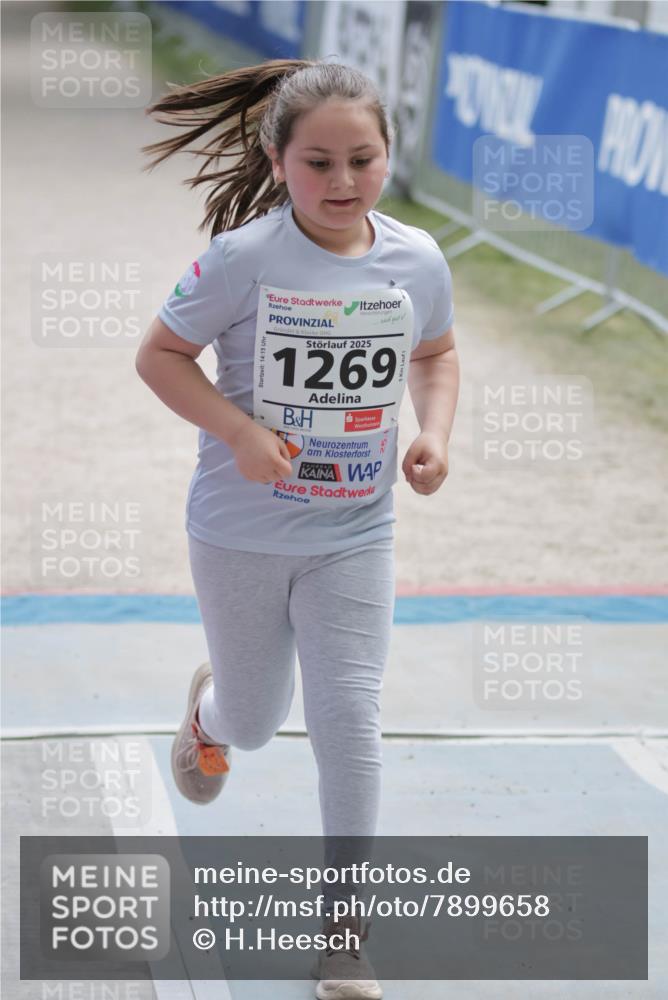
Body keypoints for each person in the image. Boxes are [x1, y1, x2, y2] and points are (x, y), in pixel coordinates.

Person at [136, 58, 459, 1000]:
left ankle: (343, 933)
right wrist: (238, 431)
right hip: (240, 533)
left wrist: (432, 434)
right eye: (319, 162)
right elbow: (159, 356)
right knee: (257, 716)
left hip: (357, 533)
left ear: (389, 155)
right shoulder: (242, 260)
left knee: (349, 717)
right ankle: (208, 718)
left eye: (363, 159)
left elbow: (436, 355)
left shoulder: (418, 260)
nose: (343, 182)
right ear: (278, 161)